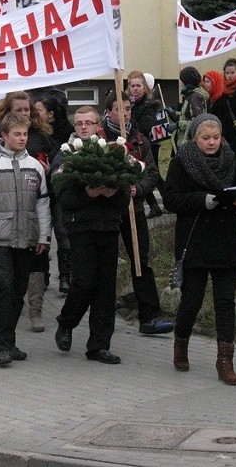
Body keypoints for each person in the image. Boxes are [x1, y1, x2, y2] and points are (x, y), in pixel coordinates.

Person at [163, 114, 236, 385]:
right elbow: (171, 199)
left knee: (225, 301)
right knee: (192, 299)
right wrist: (203, 200)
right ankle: (181, 343)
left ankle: (225, 360)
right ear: (194, 138)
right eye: (206, 138)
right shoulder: (181, 162)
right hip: (195, 239)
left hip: (226, 240)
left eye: (216, 137)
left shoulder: (229, 158)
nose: (212, 143)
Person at [0, 114, 51, 366]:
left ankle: (11, 342)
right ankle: (0, 346)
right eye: (16, 134)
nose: (22, 138)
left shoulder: (35, 167)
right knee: (3, 289)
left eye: (25, 134)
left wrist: (44, 236)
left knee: (17, 292)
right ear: (3, 136)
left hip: (26, 239)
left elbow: (43, 204)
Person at [53, 106, 129, 365]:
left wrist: (112, 193)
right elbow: (62, 196)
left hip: (107, 226)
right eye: (79, 123)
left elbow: (125, 191)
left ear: (99, 125)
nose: (84, 127)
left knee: (106, 288)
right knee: (84, 282)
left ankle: (99, 344)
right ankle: (66, 322)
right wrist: (90, 194)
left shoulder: (112, 152)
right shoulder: (66, 155)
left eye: (89, 122)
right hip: (81, 227)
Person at [0, 91, 58, 331]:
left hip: (32, 214)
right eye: (18, 110)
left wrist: (49, 168)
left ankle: (35, 310)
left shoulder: (40, 134)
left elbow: (56, 163)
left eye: (27, 110)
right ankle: (3, 335)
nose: (23, 114)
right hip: (3, 222)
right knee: (5, 283)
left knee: (34, 267)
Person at [101, 92, 174, 335]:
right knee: (106, 263)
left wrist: (138, 188)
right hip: (109, 211)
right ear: (109, 111)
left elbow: (152, 172)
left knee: (141, 261)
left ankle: (149, 316)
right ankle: (102, 317)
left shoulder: (140, 138)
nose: (124, 114)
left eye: (128, 109)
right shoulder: (100, 138)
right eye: (118, 109)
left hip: (134, 208)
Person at [34, 94, 75, 295]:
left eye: (38, 110)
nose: (34, 113)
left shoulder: (68, 132)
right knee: (42, 234)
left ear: (50, 114)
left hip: (59, 189)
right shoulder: (33, 132)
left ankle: (65, 276)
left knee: (62, 232)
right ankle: (43, 276)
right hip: (39, 190)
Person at [126, 70, 167, 218]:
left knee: (152, 174)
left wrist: (128, 119)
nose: (135, 88)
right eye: (132, 85)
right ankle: (154, 206)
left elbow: (144, 127)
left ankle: (166, 201)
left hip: (147, 145)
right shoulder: (127, 103)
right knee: (140, 175)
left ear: (144, 87)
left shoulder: (149, 105)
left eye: (138, 85)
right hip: (131, 145)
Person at [173, 66, 209, 148]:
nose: (180, 84)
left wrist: (178, 125)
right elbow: (187, 115)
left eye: (182, 82)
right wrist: (174, 113)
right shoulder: (190, 96)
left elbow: (198, 122)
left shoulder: (195, 98)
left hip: (190, 143)